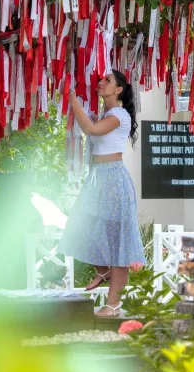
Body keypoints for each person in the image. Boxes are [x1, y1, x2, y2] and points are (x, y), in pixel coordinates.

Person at [57, 70, 146, 317]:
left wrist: (72, 99)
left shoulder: (119, 114)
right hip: (97, 178)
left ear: (118, 90)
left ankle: (113, 305)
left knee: (118, 242)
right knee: (82, 224)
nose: (101, 82)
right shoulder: (106, 114)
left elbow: (92, 130)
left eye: (108, 80)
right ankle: (103, 269)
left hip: (114, 178)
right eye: (101, 79)